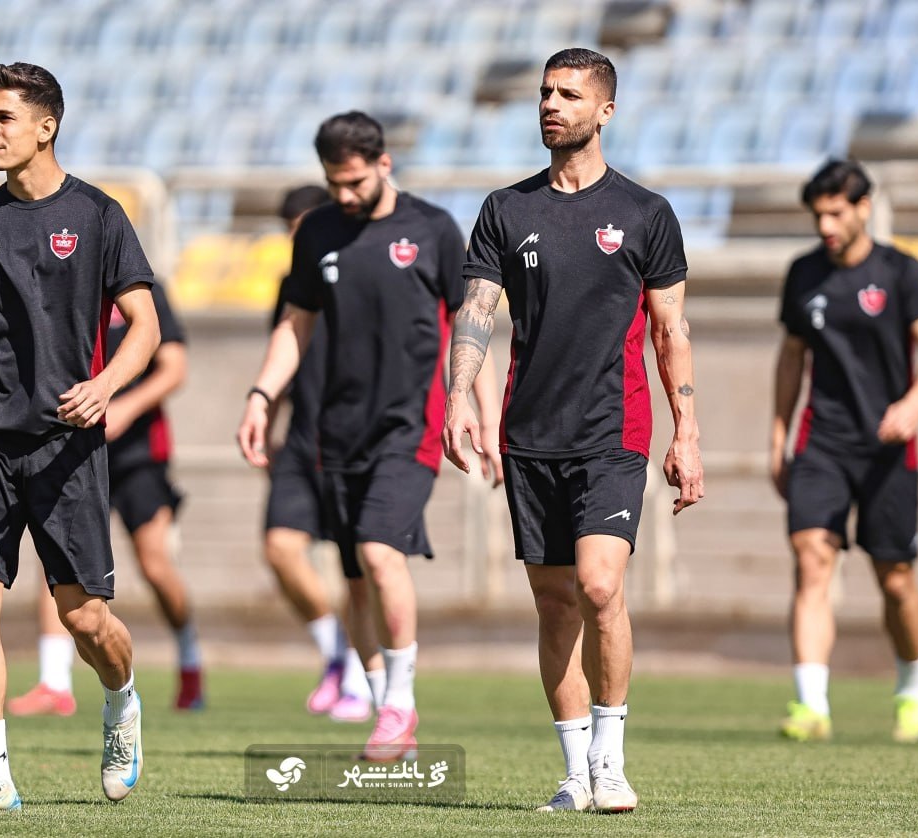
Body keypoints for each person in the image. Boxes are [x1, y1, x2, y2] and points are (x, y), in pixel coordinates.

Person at [443, 48, 704, 814]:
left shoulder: (647, 214)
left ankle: (610, 761)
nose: (551, 104)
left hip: (613, 430)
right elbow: (476, 310)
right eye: (545, 92)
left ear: (606, 111)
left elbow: (671, 330)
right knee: (556, 603)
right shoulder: (506, 210)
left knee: (599, 584)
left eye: (569, 94)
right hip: (529, 434)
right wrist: (459, 396)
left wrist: (686, 431)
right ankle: (573, 775)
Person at [0, 62, 158, 812]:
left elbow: (145, 327)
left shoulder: (99, 215)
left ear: (46, 126)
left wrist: (105, 385)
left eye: (4, 118)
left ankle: (122, 699)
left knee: (83, 617)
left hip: (67, 444)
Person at [236, 111, 502, 763]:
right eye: (335, 183)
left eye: (355, 181)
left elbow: (471, 323)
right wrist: (261, 395)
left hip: (411, 425)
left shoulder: (432, 229)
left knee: (382, 552)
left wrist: (483, 412)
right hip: (335, 431)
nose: (345, 195)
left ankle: (401, 705)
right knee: (356, 579)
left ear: (384, 164)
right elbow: (295, 323)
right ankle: (388, 712)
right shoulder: (318, 231)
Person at [771, 159, 918, 745]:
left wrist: (915, 403)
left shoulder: (901, 272)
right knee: (812, 560)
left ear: (863, 208)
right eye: (817, 215)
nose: (825, 225)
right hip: (821, 443)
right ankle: (811, 705)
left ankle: (912, 691)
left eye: (835, 213)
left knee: (895, 579)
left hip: (887, 449)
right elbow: (792, 357)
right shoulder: (803, 274)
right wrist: (778, 435)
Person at [7, 280, 205, 717]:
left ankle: (190, 660)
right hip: (73, 448)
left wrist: (125, 407)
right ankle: (55, 683)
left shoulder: (142, 289)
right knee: (54, 560)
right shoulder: (63, 280)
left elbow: (174, 368)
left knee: (154, 563)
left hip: (137, 456)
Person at [262, 184, 372, 723]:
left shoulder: (368, 271)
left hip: (360, 438)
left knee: (360, 568)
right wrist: (264, 414)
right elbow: (284, 353)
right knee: (280, 548)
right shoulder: (290, 285)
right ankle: (336, 653)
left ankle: (359, 676)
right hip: (302, 438)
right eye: (290, 231)